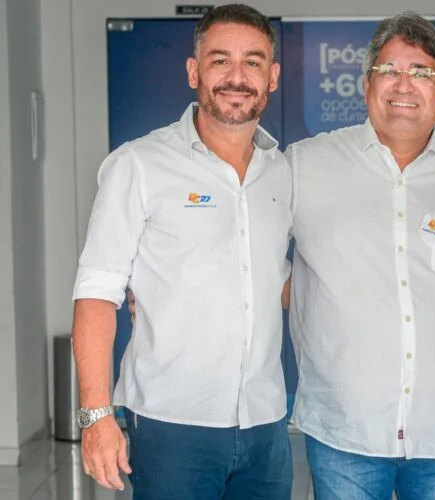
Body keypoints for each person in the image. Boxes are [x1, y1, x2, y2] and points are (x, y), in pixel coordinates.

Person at [285, 12, 435, 500]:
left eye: (422, 72)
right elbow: (245, 248)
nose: (403, 84)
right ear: (366, 83)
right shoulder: (305, 165)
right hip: (344, 428)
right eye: (388, 70)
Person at [71, 5, 293, 498]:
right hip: (171, 426)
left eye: (253, 62)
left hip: (266, 424)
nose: (237, 77)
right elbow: (96, 293)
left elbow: (277, 281)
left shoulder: (282, 172)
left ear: (273, 77)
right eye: (220, 60)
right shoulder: (139, 165)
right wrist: (96, 415)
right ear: (194, 71)